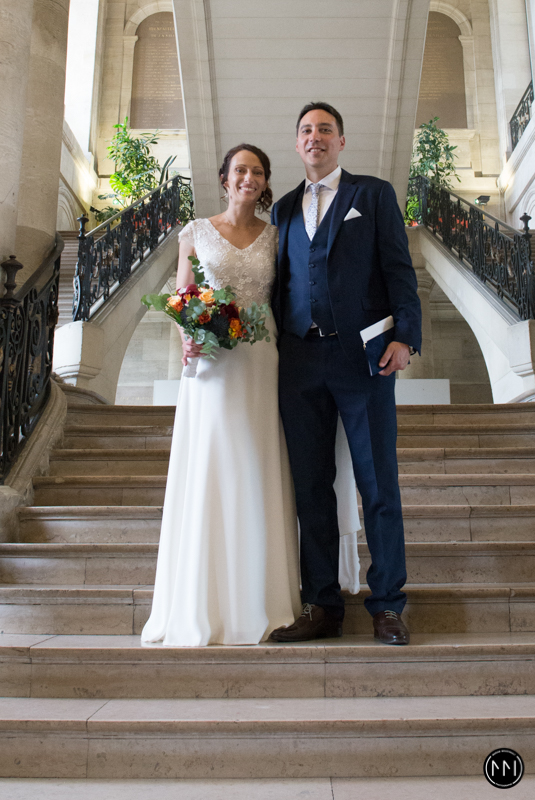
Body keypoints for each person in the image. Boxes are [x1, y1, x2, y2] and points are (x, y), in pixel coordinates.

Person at [141, 143, 360, 647]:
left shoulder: (278, 235)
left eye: (257, 171)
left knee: (260, 469)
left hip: (263, 362)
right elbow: (183, 296)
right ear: (225, 178)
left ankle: (265, 599)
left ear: (264, 183)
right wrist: (189, 335)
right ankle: (206, 604)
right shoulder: (194, 232)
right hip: (212, 366)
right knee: (214, 467)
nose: (249, 177)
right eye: (240, 170)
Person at [269, 102, 422, 646]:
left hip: (365, 359)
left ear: (340, 141)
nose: (315, 137)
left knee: (377, 483)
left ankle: (388, 605)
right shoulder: (283, 209)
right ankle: (322, 605)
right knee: (311, 487)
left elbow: (399, 268)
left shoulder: (373, 195)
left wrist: (405, 335)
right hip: (299, 361)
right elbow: (278, 284)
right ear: (297, 143)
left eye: (325, 130)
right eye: (306, 130)